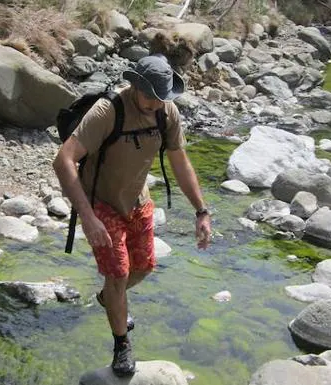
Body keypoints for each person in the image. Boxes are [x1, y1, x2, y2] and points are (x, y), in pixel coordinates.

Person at [53, 54, 212, 377]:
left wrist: (201, 211)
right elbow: (64, 160)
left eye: (161, 96)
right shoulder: (108, 111)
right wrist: (87, 216)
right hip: (101, 205)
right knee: (119, 274)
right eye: (150, 95)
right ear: (135, 85)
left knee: (145, 267)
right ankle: (121, 344)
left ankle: (109, 299)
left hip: (138, 202)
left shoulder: (166, 113)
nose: (156, 103)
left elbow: (181, 163)